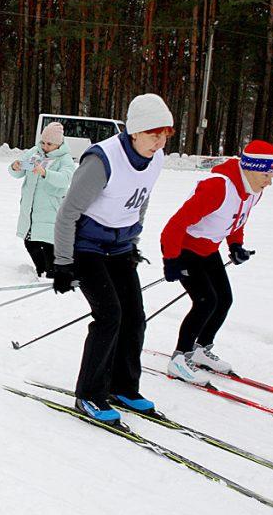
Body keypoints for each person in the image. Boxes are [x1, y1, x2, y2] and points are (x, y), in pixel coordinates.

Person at [52, 93, 174, 425]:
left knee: (135, 318)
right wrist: (63, 263)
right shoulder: (102, 160)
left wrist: (132, 238)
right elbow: (67, 213)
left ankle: (122, 387)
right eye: (153, 133)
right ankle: (89, 394)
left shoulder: (156, 158)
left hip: (120, 249)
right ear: (134, 131)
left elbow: (140, 201)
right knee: (109, 316)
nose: (160, 141)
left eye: (165, 134)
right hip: (88, 248)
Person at [161, 140, 273, 384]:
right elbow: (174, 226)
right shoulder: (218, 187)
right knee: (205, 301)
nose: (270, 181)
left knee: (224, 299)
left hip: (209, 249)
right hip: (185, 248)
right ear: (252, 168)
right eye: (267, 174)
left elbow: (238, 219)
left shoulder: (254, 191)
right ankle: (179, 358)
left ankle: (200, 349)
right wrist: (171, 259)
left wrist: (235, 245)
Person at [9, 122, 74, 277]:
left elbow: (65, 179)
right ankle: (42, 270)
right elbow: (18, 173)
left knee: (48, 242)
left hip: (50, 210)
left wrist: (46, 173)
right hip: (30, 208)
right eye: (43, 142)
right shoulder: (34, 152)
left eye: (49, 144)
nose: (45, 146)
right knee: (29, 241)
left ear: (58, 144)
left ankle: (52, 274)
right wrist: (15, 167)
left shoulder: (64, 159)